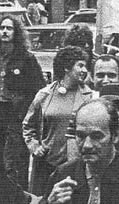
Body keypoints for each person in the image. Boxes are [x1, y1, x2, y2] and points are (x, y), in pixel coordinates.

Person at [0, 15, 44, 204]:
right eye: (2, 28)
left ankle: (21, 200)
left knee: (16, 159)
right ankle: (2, 198)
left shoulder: (26, 58)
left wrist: (26, 111)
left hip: (17, 114)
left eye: (9, 28)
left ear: (16, 33)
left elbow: (38, 88)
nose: (5, 32)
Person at [23, 45, 92, 195]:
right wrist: (34, 145)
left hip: (76, 164)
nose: (85, 70)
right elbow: (28, 125)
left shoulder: (90, 96)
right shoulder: (45, 94)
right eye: (80, 65)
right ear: (67, 68)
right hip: (46, 164)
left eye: (85, 66)